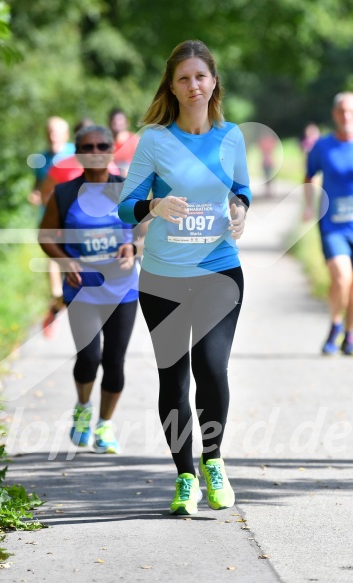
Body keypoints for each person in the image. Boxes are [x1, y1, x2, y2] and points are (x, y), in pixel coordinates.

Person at [118, 40, 251, 515]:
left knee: (210, 369)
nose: (193, 85)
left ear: (213, 82)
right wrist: (153, 204)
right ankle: (185, 477)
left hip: (218, 270)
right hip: (163, 277)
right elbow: (124, 204)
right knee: (172, 380)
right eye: (183, 78)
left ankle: (212, 460)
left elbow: (242, 191)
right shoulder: (154, 139)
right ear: (171, 88)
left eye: (200, 76)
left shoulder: (231, 136)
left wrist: (239, 211)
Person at [38, 125, 140, 453]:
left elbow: (146, 228)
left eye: (102, 144)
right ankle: (83, 408)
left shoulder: (127, 189)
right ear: (78, 152)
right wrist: (67, 262)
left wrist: (134, 248)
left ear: (112, 149)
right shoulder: (65, 193)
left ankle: (105, 426)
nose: (95, 150)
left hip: (123, 290)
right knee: (88, 357)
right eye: (88, 145)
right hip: (82, 290)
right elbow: (46, 236)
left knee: (114, 361)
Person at [303, 92, 353, 356]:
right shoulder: (322, 147)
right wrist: (309, 205)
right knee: (343, 278)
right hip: (333, 225)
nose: (347, 116)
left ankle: (350, 334)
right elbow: (309, 175)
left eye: (351, 111)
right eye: (342, 111)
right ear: (335, 115)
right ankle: (335, 326)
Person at [28, 116, 76, 337]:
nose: (52, 135)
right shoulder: (40, 159)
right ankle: (57, 295)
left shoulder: (77, 152)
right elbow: (39, 185)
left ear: (66, 134)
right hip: (51, 218)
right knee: (55, 258)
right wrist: (36, 194)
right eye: (49, 131)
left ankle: (58, 305)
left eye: (56, 131)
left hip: (76, 220)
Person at [108, 108, 140, 177]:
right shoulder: (107, 144)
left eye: (120, 120)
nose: (117, 123)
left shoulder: (135, 142)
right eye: (114, 122)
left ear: (127, 122)